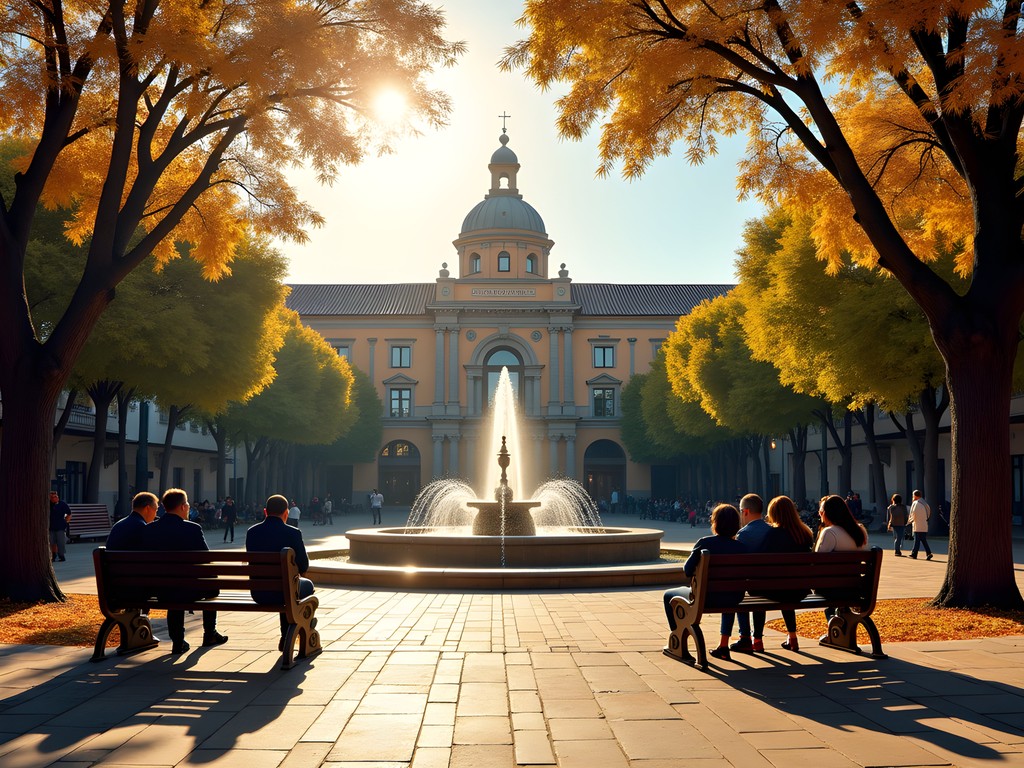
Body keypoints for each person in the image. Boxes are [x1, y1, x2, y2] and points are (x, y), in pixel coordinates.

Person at [141, 488, 229, 655]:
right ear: (182, 506)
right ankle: (210, 633)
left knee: (173, 590)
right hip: (188, 588)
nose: (188, 507)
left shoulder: (149, 529)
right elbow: (205, 558)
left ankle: (178, 640)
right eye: (187, 504)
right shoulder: (192, 529)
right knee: (210, 585)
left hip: (159, 589)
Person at [663, 504, 748, 662]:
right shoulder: (742, 548)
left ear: (715, 523)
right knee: (728, 592)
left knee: (668, 595)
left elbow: (687, 570)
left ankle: (678, 637)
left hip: (706, 598)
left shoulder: (705, 543)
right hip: (735, 597)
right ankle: (723, 646)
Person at [246, 494, 316, 651]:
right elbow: (303, 565)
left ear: (265, 512)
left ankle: (286, 636)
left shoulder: (252, 532)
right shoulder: (293, 533)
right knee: (303, 586)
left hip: (259, 592)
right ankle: (292, 634)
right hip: (284, 592)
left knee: (287, 587)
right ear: (286, 513)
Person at [758, 496, 815, 651]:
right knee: (787, 587)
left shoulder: (772, 535)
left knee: (761, 590)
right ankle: (792, 637)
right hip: (800, 590)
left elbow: (762, 561)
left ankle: (757, 639)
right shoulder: (805, 533)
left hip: (778, 590)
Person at [726, 493, 771, 654]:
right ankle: (758, 639)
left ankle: (745, 637)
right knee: (757, 590)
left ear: (745, 511)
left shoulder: (743, 534)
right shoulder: (772, 531)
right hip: (769, 584)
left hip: (749, 584)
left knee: (740, 590)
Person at [48, 491, 72, 562]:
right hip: (51, 527)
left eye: (55, 496)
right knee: (52, 542)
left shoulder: (62, 504)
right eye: (52, 497)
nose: (54, 498)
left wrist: (66, 522)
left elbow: (69, 513)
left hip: (60, 527)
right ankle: (53, 555)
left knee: (60, 542)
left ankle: (61, 555)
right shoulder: (48, 504)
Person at [908, 489, 933, 560]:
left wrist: (909, 521)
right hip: (924, 525)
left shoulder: (916, 503)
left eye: (913, 495)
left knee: (917, 540)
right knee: (923, 540)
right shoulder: (925, 503)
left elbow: (913, 513)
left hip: (917, 525)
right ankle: (928, 553)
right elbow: (929, 513)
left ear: (915, 496)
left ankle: (914, 554)